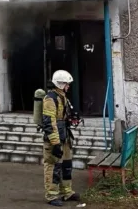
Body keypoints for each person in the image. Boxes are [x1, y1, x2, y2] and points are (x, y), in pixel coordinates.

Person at [42, 70, 80, 207]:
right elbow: (49, 122)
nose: (68, 86)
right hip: (55, 139)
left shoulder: (62, 97)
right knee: (53, 166)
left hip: (64, 137)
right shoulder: (50, 99)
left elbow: (62, 117)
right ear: (60, 84)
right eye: (67, 84)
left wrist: (72, 118)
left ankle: (67, 192)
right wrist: (55, 143)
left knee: (66, 165)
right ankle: (52, 195)